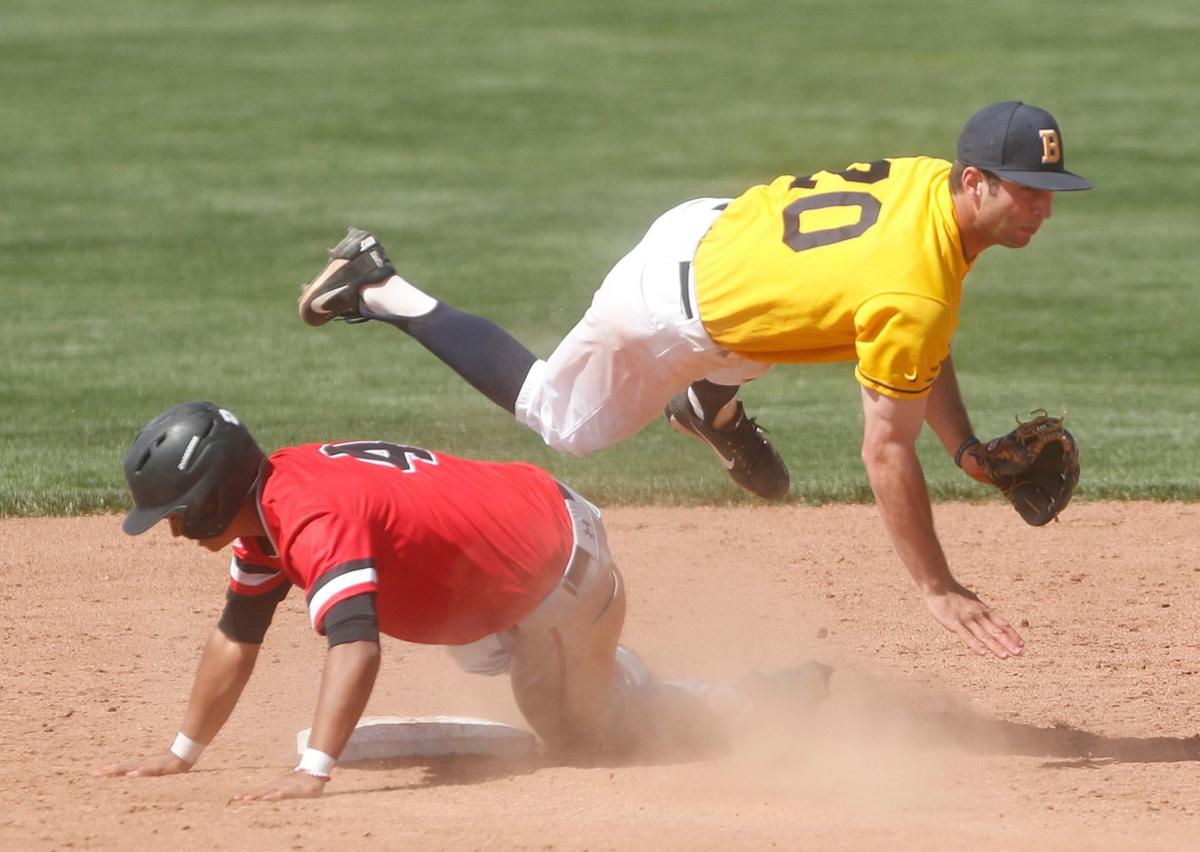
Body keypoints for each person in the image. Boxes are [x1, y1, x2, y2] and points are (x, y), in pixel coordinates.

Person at [295, 101, 1091, 662]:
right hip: (666, 311)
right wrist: (937, 585)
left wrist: (968, 452)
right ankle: (379, 287)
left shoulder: (928, 188)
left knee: (802, 315)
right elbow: (886, 448)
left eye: (1049, 193)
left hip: (716, 228)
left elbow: (920, 335)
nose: (1041, 211)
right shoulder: (915, 287)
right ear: (977, 181)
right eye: (1026, 191)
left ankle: (711, 402)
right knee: (561, 420)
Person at [96, 402, 830, 801]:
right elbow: (236, 635)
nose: (175, 530)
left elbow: (355, 644)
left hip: (562, 565)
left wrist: (314, 767)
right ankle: (582, 663)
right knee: (473, 647)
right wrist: (180, 753)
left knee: (588, 733)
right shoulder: (270, 511)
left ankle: (759, 702)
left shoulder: (310, 515)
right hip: (520, 548)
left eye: (181, 512)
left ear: (221, 493)